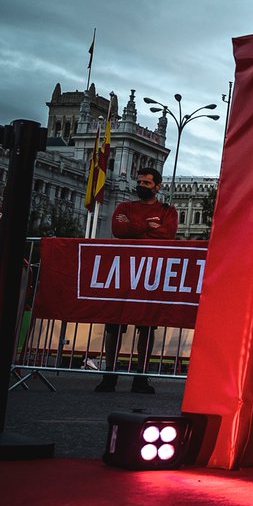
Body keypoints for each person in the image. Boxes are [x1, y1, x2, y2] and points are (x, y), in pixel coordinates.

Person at [95, 167, 178, 393]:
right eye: (139, 182)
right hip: (123, 273)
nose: (141, 186)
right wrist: (147, 226)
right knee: (113, 323)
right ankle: (109, 373)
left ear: (158, 187)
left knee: (147, 326)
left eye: (147, 183)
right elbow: (118, 229)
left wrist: (133, 228)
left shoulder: (168, 210)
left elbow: (167, 234)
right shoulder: (124, 207)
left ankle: (141, 376)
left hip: (151, 274)